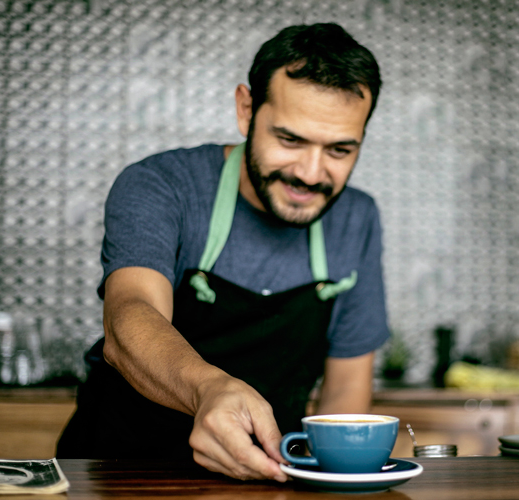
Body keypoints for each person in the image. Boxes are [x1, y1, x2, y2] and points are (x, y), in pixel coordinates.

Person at [56, 23, 389, 483]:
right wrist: (209, 389)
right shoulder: (162, 185)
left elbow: (346, 391)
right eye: (290, 140)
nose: (311, 174)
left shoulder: (358, 218)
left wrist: (332, 480)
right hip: (121, 472)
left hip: (271, 480)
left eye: (339, 149)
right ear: (246, 109)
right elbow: (129, 317)